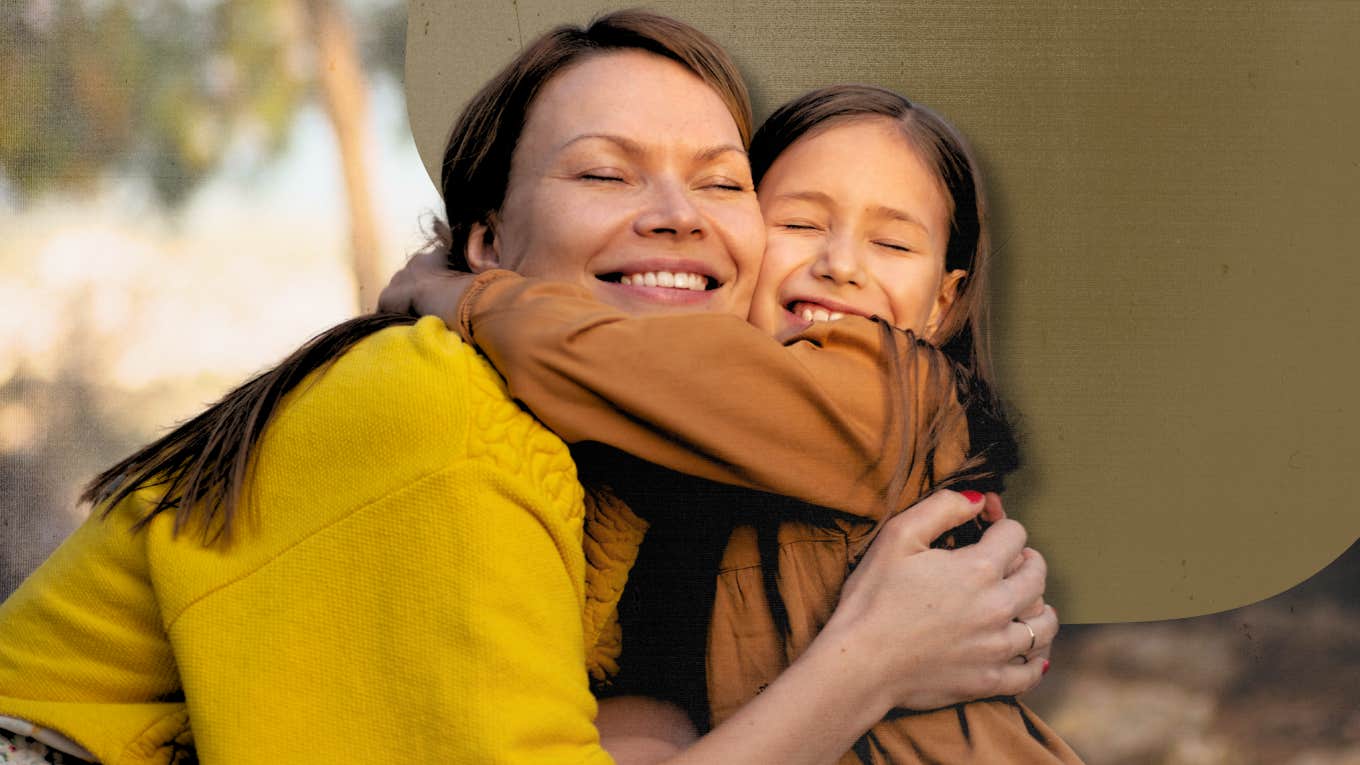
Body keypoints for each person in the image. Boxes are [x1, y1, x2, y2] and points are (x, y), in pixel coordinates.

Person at [0, 10, 1053, 765]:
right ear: (488, 240)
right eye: (603, 172)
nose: (679, 214)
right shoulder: (437, 415)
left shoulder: (648, 475)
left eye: (723, 183)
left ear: (947, 298)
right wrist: (869, 660)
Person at [379, 79, 1081, 763]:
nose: (841, 265)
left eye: (893, 245)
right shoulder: (694, 453)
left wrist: (461, 293)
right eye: (799, 224)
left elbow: (623, 363)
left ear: (943, 303)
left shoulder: (896, 391)